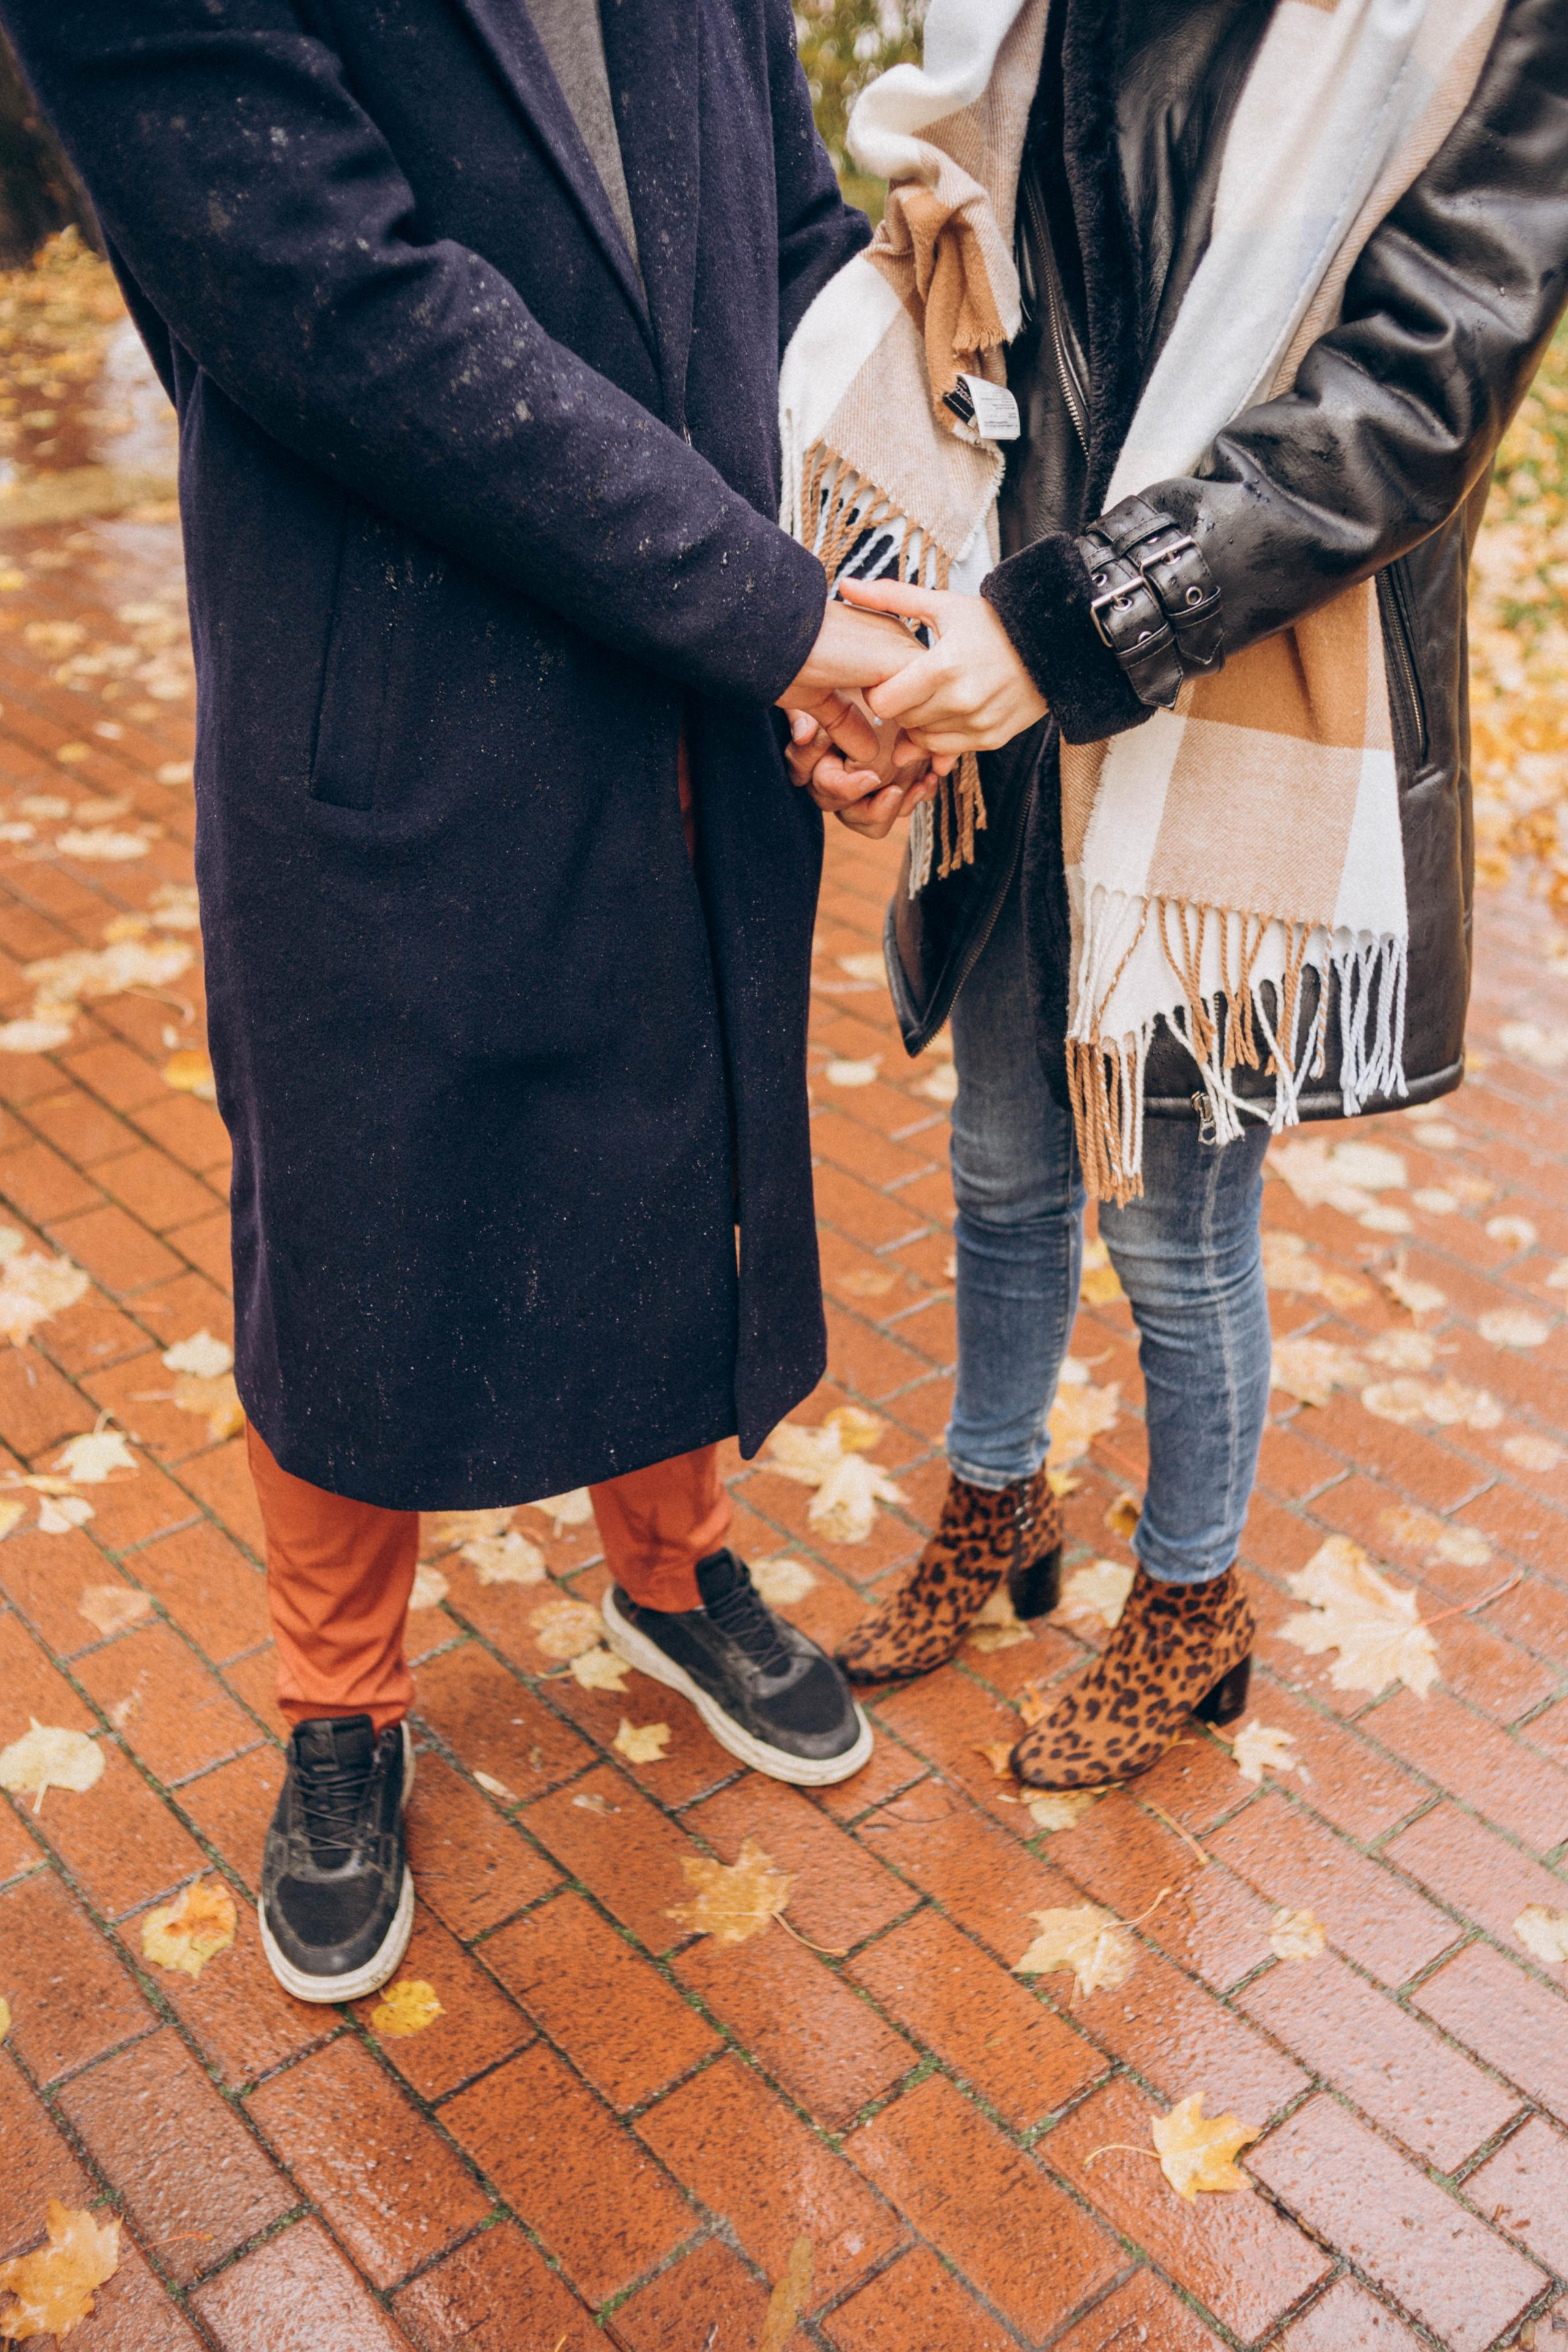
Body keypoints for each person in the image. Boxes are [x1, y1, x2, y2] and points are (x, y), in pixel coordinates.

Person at [1, 0, 935, 2000]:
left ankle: (671, 1576)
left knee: (684, 1116)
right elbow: (342, 309)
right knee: (357, 1206)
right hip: (399, 696)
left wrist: (911, 566)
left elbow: (781, 237)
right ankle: (341, 1708)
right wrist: (791, 624)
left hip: (690, 668)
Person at [785, 0, 1568, 1789]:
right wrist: (881, 611)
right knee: (996, 1147)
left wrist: (1066, 631)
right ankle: (1000, 1510)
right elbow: (959, 272)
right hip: (1003, 626)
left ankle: (1193, 1601)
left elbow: (1413, 393)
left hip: (1223, 671)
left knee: (1171, 1225)